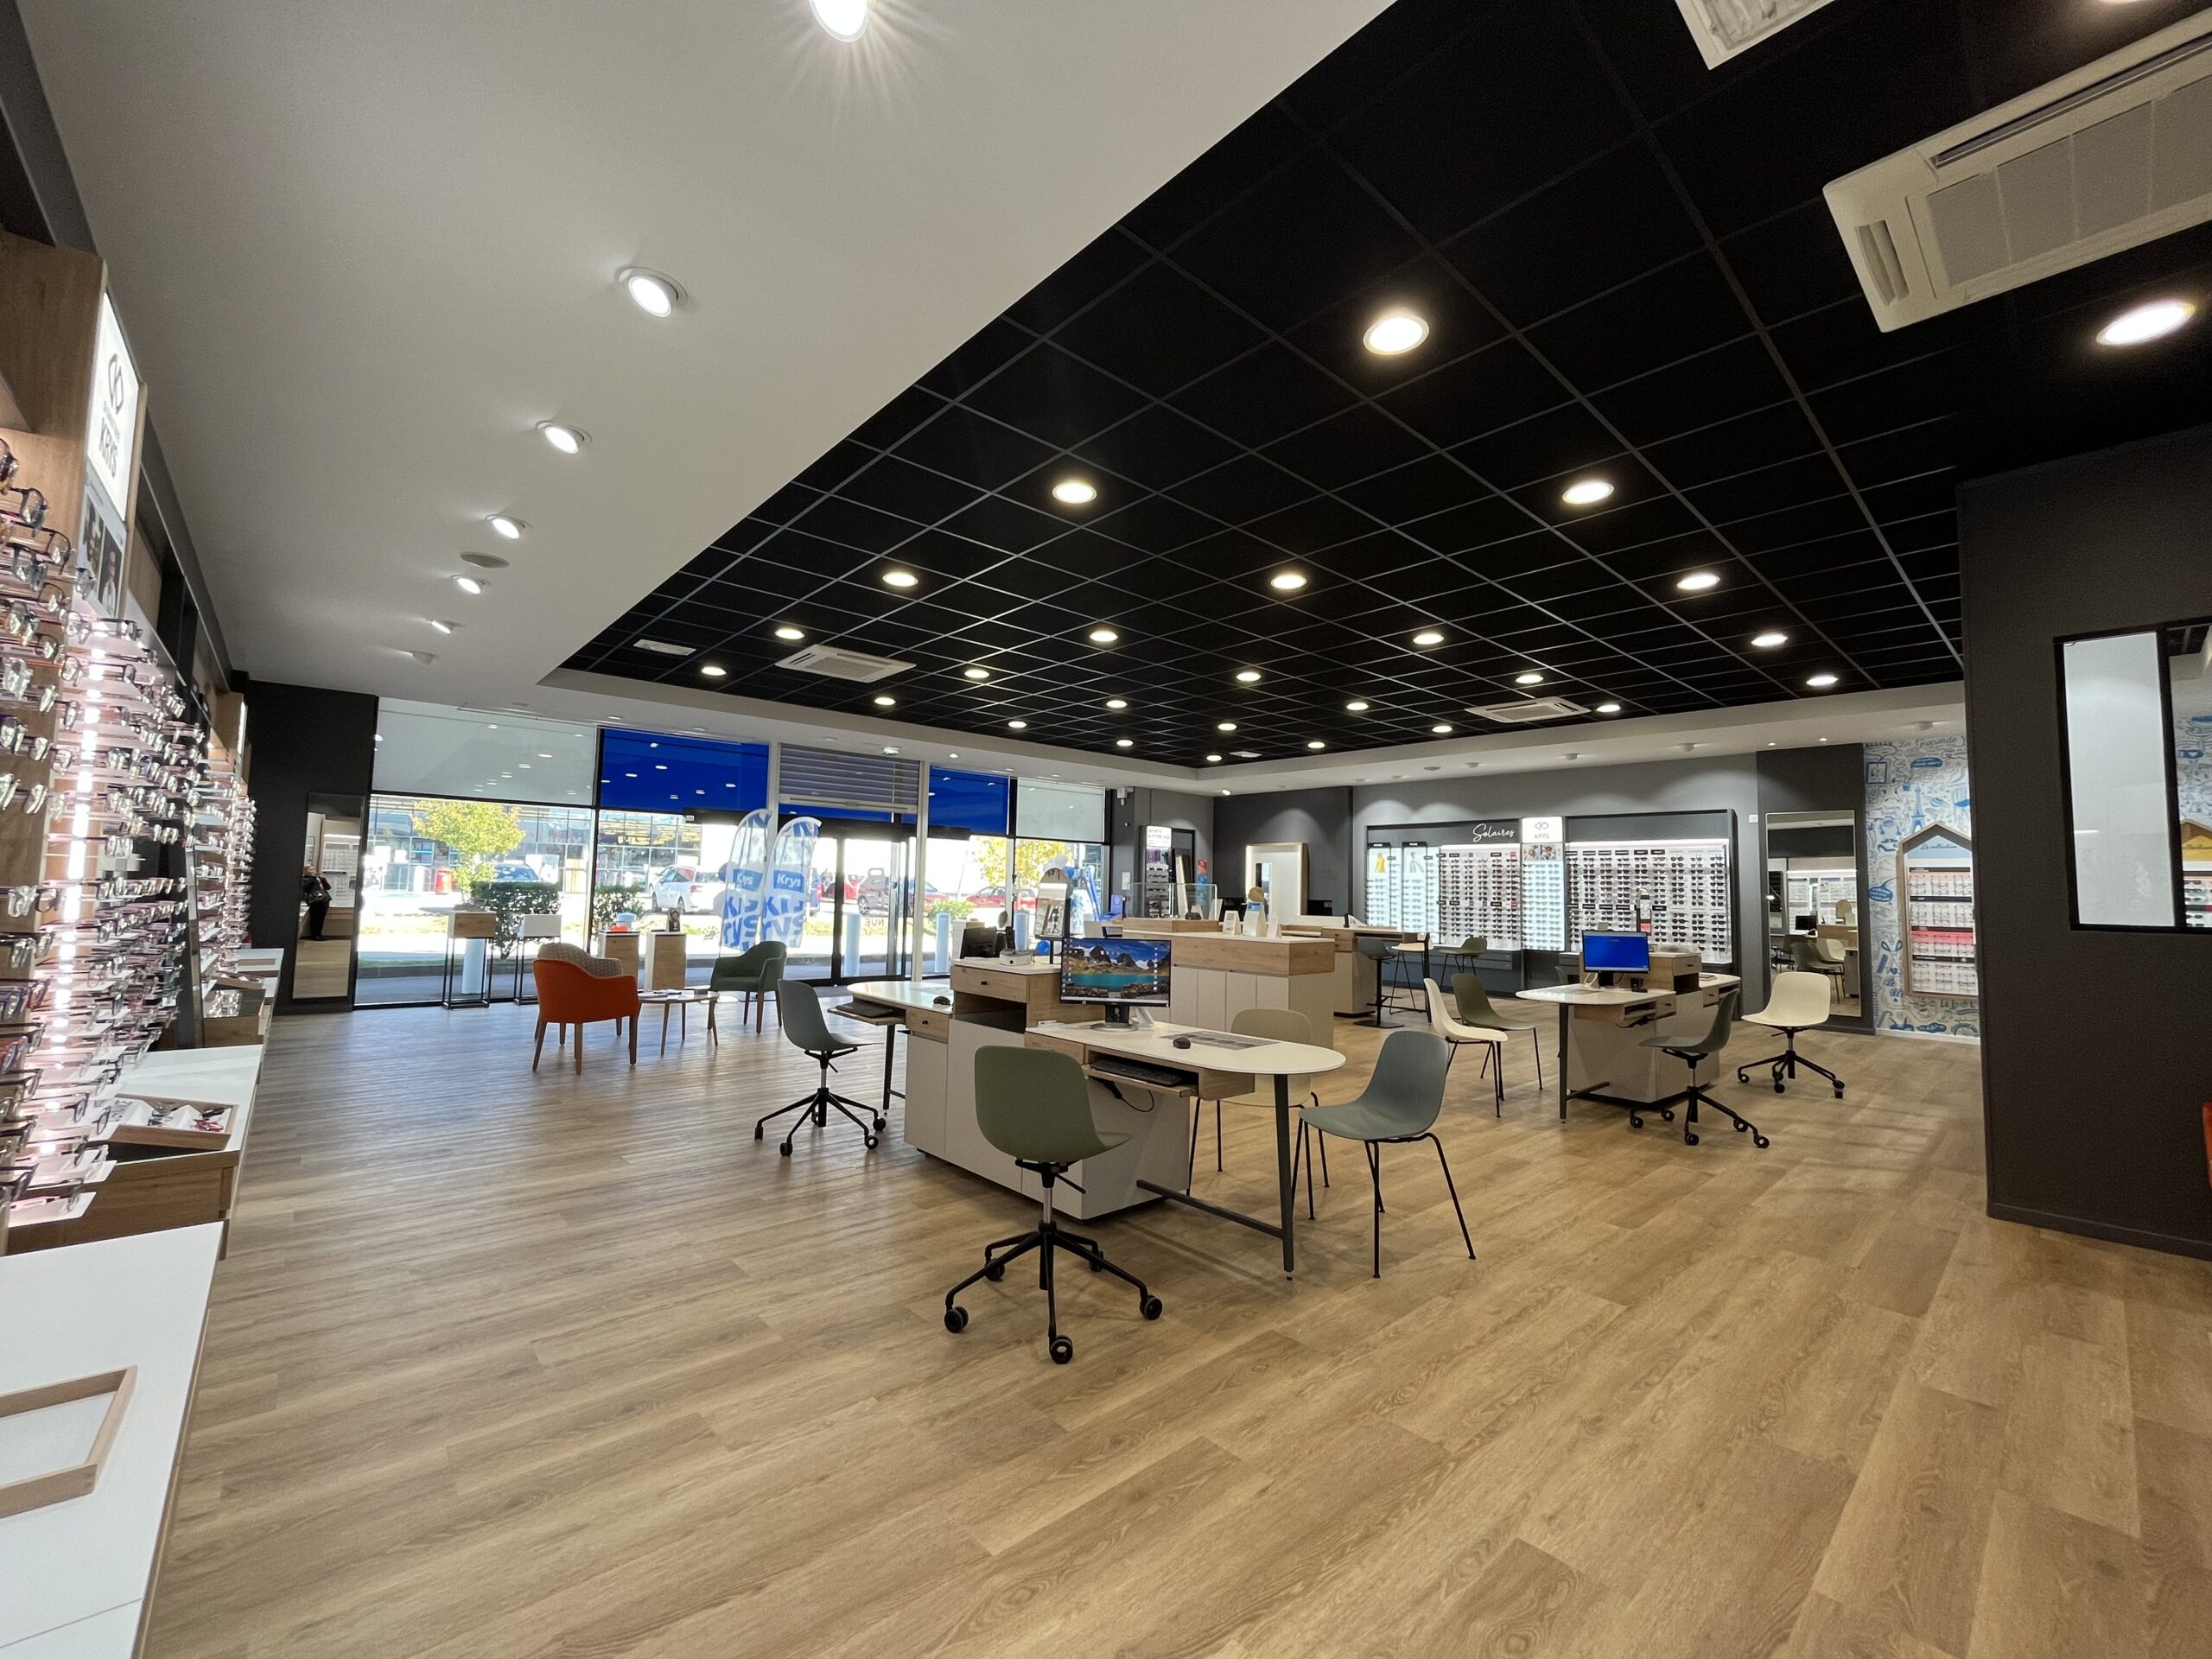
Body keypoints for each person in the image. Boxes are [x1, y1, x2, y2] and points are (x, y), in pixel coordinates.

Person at [302, 862, 332, 941]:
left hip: (324, 900)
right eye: (310, 870)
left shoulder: (319, 878)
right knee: (315, 918)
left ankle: (319, 934)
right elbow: (304, 887)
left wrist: (323, 880)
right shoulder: (305, 879)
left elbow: (328, 887)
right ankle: (315, 935)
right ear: (306, 871)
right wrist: (312, 878)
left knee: (321, 918)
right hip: (314, 901)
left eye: (313, 869)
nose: (313, 871)